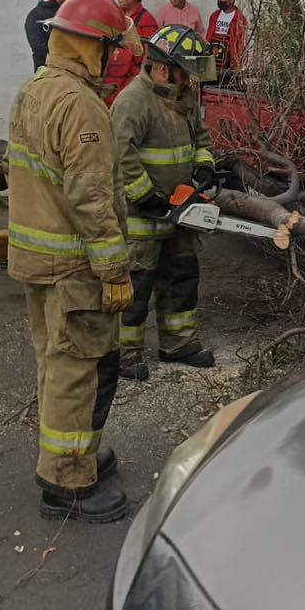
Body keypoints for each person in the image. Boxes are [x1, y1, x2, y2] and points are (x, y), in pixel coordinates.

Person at [8, 0, 137, 522]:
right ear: (91, 48)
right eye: (110, 47)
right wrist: (114, 269)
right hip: (71, 267)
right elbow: (90, 197)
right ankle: (65, 483)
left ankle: (73, 454)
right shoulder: (80, 104)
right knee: (76, 369)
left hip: (37, 260)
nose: (115, 58)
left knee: (54, 361)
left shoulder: (34, 89)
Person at [112, 24, 219, 381]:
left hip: (180, 212)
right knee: (136, 286)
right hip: (144, 216)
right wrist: (146, 196)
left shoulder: (184, 98)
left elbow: (201, 139)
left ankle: (179, 343)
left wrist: (204, 167)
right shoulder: (133, 101)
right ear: (162, 67)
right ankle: (125, 354)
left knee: (182, 278)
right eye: (185, 73)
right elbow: (121, 155)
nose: (189, 81)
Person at [103, 0, 158, 104]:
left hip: (130, 78)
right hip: (110, 74)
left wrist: (142, 78)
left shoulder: (147, 20)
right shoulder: (116, 16)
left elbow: (150, 52)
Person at [24, 0, 71, 71]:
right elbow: (39, 47)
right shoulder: (35, 16)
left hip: (70, 72)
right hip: (49, 75)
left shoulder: (66, 13)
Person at [206, 0, 248, 86]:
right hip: (213, 54)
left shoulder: (239, 18)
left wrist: (237, 64)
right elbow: (208, 36)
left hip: (229, 58)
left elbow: (240, 43)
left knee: (226, 84)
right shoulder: (215, 15)